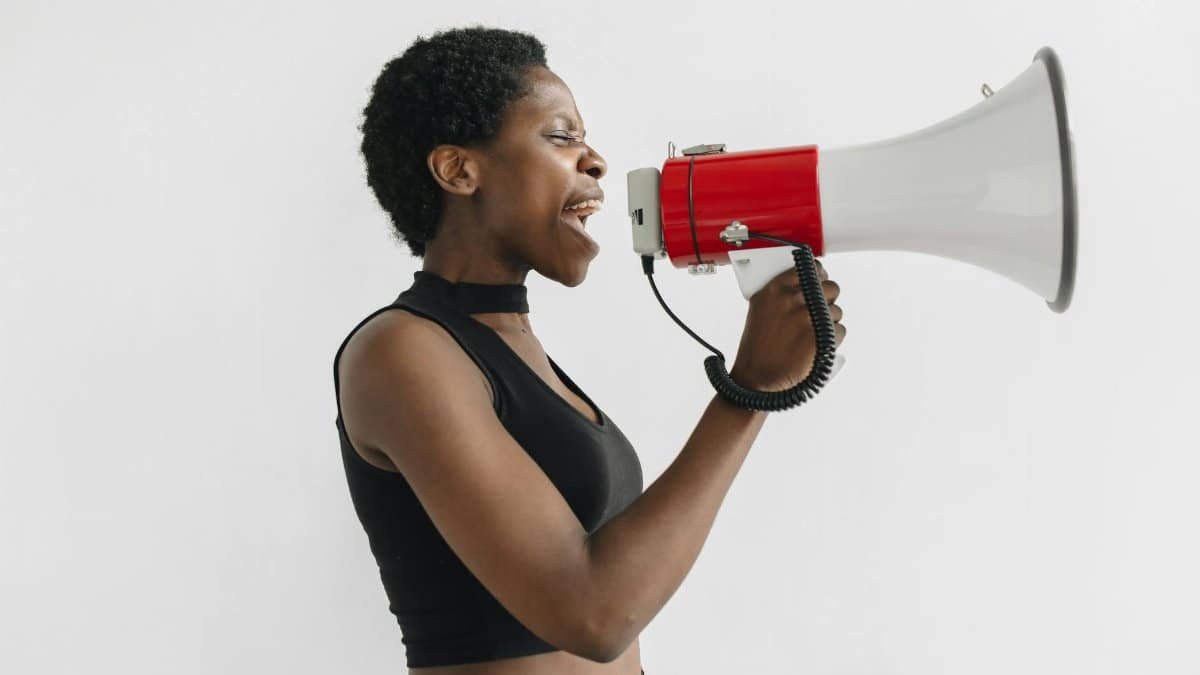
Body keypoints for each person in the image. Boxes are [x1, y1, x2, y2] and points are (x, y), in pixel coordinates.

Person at [332, 26, 845, 675]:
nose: (596, 160)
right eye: (561, 135)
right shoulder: (401, 352)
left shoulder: (512, 348)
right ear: (459, 170)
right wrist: (749, 391)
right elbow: (595, 614)